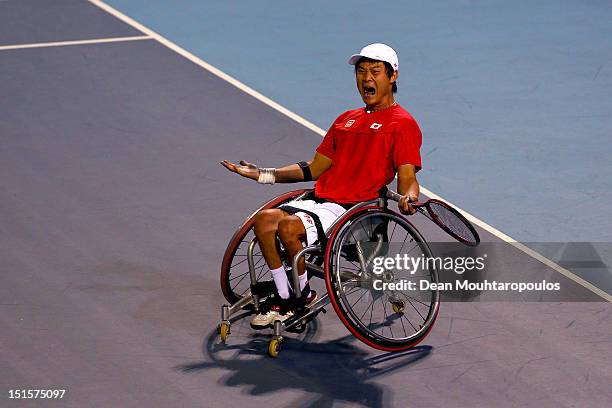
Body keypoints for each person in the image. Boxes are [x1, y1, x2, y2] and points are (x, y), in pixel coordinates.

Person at [220, 43, 422, 327]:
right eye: (361, 72)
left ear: (392, 76)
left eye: (375, 71)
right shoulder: (345, 120)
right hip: (319, 199)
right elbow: (315, 168)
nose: (366, 79)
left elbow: (408, 179)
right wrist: (263, 174)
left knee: (289, 227)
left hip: (353, 209)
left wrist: (408, 197)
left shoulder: (403, 124)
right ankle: (285, 295)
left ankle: (299, 298)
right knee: (265, 221)